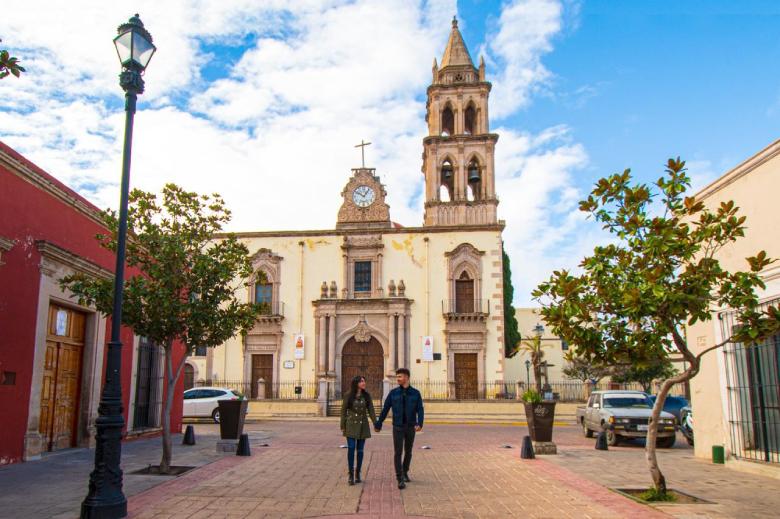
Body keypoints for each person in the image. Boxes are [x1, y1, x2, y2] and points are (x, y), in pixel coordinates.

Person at [375, 368, 424, 489]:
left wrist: (419, 423)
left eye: (400, 377)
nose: (397, 379)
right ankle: (399, 478)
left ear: (406, 377)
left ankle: (405, 471)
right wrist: (379, 423)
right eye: (397, 377)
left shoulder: (416, 393)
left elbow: (420, 409)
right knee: (398, 452)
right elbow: (385, 409)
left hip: (410, 427)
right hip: (397, 427)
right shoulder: (393, 393)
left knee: (408, 451)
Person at [340, 375, 377, 485]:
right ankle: (351, 474)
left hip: (363, 425)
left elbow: (371, 410)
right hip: (351, 424)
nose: (364, 383)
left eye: (364, 381)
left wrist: (376, 423)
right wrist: (342, 425)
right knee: (351, 448)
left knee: (360, 450)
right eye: (361, 381)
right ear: (356, 383)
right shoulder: (348, 395)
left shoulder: (367, 395)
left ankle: (358, 473)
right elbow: (343, 411)